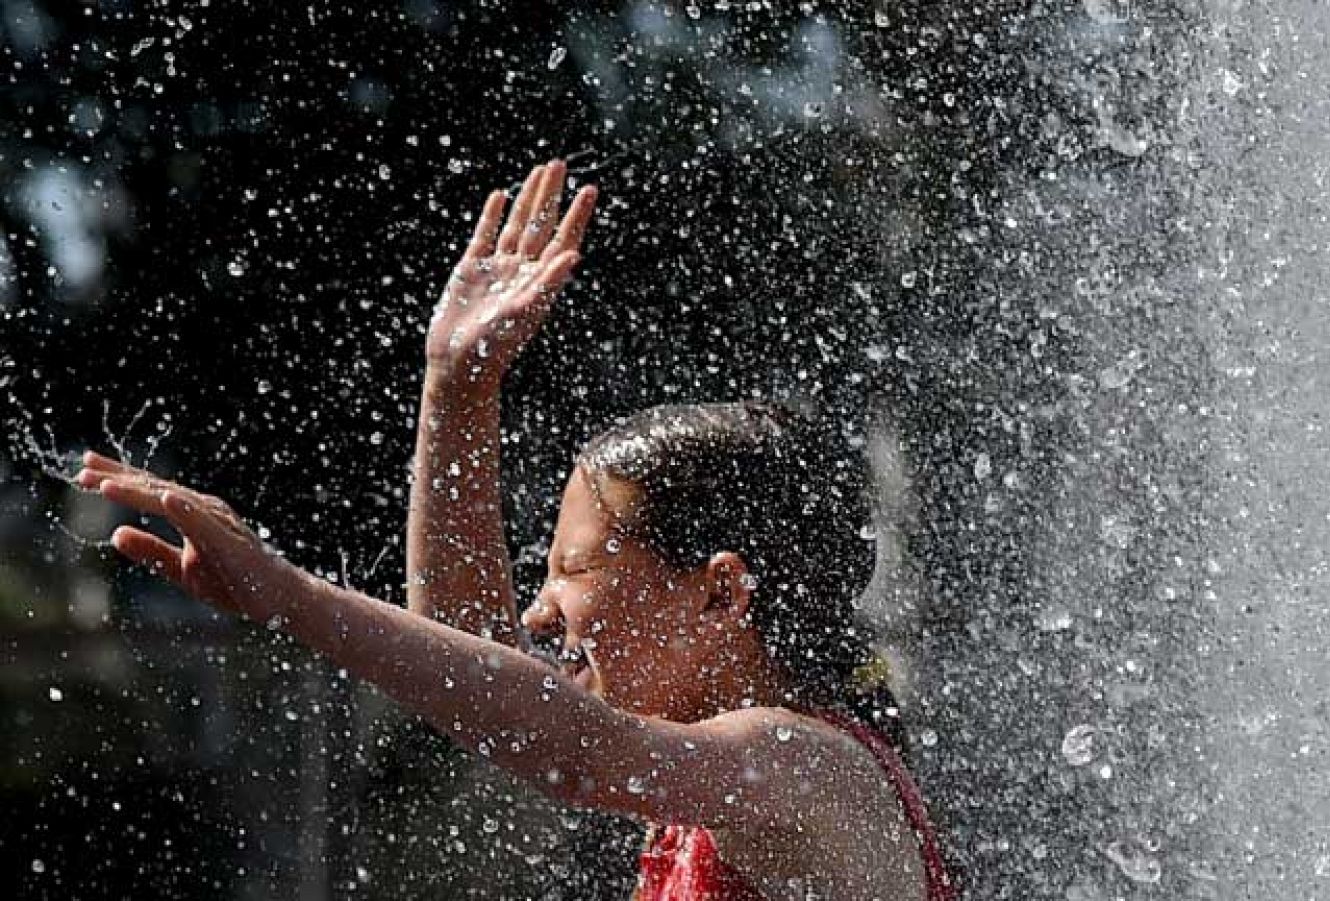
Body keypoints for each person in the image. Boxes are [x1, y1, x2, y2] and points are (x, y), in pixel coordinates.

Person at [75, 159, 955, 900]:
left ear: (721, 591)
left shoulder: (807, 766)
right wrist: (456, 387)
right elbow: (481, 684)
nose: (538, 614)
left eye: (572, 569)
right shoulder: (699, 756)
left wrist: (291, 595)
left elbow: (564, 746)